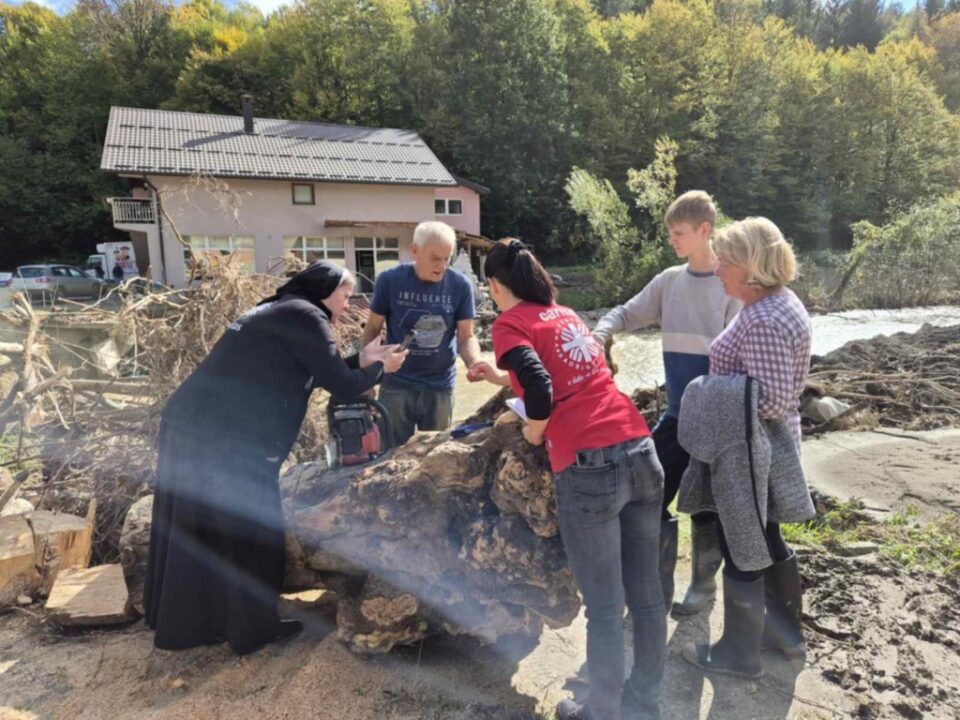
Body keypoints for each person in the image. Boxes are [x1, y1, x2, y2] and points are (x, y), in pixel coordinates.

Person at [144, 261, 407, 654]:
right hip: (225, 438)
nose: (349, 306)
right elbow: (341, 385)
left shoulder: (284, 307)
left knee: (201, 525)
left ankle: (194, 622)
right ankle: (251, 629)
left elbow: (320, 369)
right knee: (253, 529)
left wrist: (364, 360)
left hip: (197, 426)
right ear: (326, 290)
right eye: (346, 295)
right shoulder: (307, 315)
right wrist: (381, 368)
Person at [472, 240, 665, 720]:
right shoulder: (564, 314)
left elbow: (539, 386)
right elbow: (565, 375)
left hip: (588, 464)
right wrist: (498, 378)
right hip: (640, 449)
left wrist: (535, 432)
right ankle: (643, 700)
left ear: (495, 286)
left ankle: (600, 709)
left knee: (603, 606)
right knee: (646, 596)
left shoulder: (509, 323)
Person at [593, 190, 741, 616]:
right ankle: (652, 593)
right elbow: (624, 312)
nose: (672, 240)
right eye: (670, 233)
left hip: (715, 418)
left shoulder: (729, 284)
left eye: (679, 233)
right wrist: (600, 333)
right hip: (677, 414)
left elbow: (735, 361)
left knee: (705, 506)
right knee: (648, 494)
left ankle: (702, 590)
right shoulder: (669, 281)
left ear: (704, 231)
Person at [679, 217, 813, 678]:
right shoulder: (778, 304)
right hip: (764, 449)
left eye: (725, 262)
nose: (716, 270)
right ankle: (784, 638)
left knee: (744, 546)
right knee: (768, 538)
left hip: (753, 455)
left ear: (751, 267)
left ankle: (739, 655)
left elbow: (771, 400)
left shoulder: (765, 319)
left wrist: (703, 390)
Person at [360, 221, 481, 444]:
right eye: (435, 258)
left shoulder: (460, 286)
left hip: (439, 386)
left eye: (447, 259)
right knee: (390, 455)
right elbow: (373, 330)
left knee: (435, 453)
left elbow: (467, 336)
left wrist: (474, 363)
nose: (442, 266)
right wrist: (367, 379)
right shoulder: (390, 281)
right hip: (397, 384)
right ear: (415, 251)